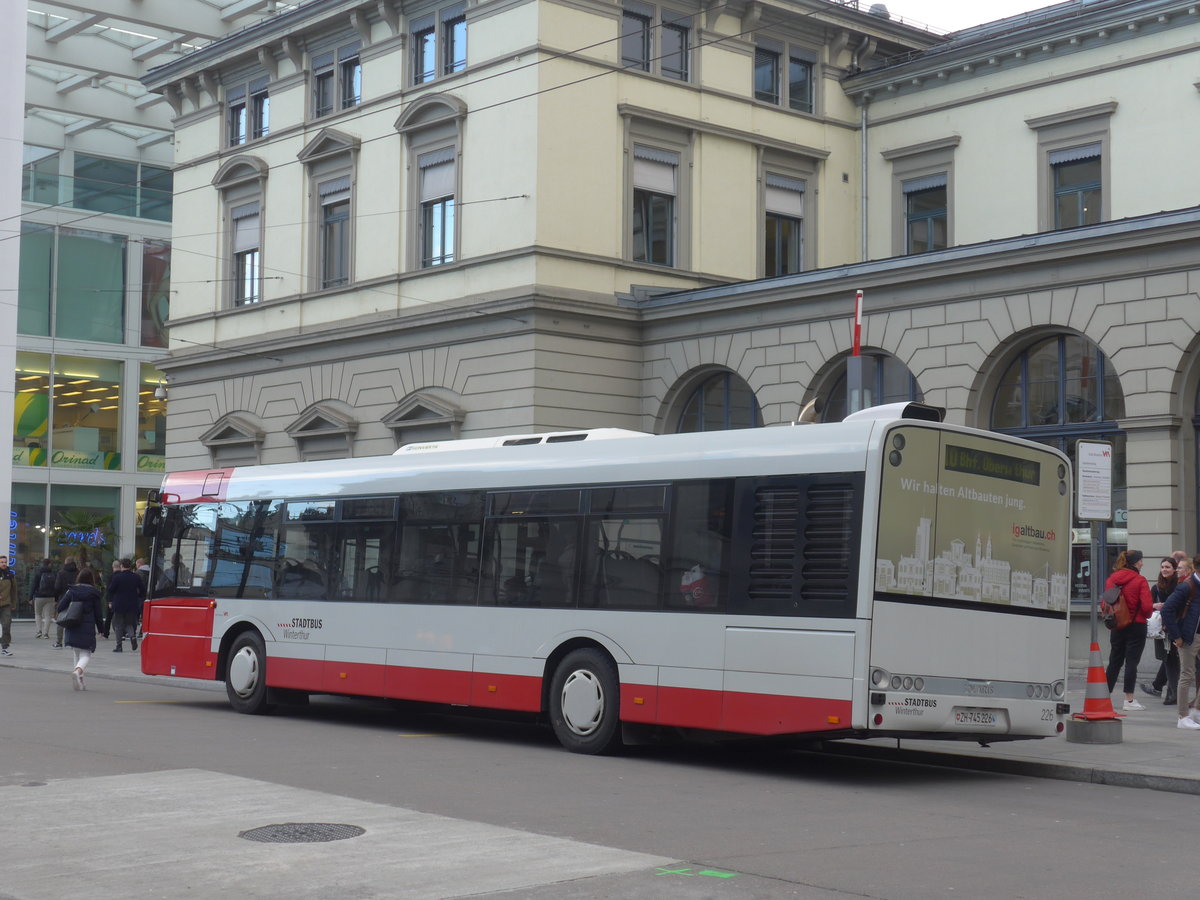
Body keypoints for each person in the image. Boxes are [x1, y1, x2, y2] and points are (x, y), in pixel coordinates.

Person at [1104, 549, 1154, 710]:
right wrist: (1146, 613)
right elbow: (1147, 608)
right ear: (1134, 562)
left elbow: (1105, 602)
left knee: (1114, 662)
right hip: (1136, 625)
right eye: (1140, 560)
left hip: (1117, 625)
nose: (1142, 563)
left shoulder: (1112, 579)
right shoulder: (1140, 580)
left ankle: (1104, 697)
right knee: (1131, 662)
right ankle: (1129, 700)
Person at [1162, 554, 1200, 729]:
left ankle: (1196, 710)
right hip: (1188, 636)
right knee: (1186, 675)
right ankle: (1183, 717)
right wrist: (1176, 636)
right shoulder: (1187, 586)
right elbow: (1167, 610)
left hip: (1197, 633)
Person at [56, 568, 103, 691]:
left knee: (76, 651)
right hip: (87, 626)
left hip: (72, 624)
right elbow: (98, 614)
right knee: (86, 653)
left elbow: (60, 606)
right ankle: (78, 672)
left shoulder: (71, 591)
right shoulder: (94, 594)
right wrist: (102, 630)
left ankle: (80, 680)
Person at [1143, 557, 1180, 704]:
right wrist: (1155, 605)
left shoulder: (1179, 585)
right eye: (1163, 567)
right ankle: (1167, 692)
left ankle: (1170, 693)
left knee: (1171, 661)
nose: (1164, 570)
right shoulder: (1156, 587)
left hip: (1175, 626)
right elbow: (1147, 606)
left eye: (1168, 567)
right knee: (1169, 660)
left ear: (1174, 569)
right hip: (1160, 629)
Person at [106, 559, 145, 652]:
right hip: (132, 603)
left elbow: (110, 589)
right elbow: (142, 590)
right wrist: (137, 596)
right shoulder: (136, 577)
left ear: (121, 566)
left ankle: (119, 646)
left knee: (118, 624)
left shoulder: (117, 577)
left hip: (119, 603)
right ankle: (132, 636)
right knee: (129, 623)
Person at [52, 555, 80, 648]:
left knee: (61, 620)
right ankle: (73, 641)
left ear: (65, 562)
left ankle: (59, 642)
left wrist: (57, 598)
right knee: (73, 620)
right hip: (75, 598)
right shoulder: (78, 572)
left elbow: (57, 587)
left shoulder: (61, 573)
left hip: (63, 597)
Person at [30, 558, 57, 640]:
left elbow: (34, 585)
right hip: (50, 597)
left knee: (38, 614)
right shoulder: (53, 573)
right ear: (49, 564)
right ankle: (46, 633)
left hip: (39, 596)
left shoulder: (38, 573)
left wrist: (30, 597)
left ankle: (39, 631)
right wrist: (56, 598)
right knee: (48, 615)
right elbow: (56, 587)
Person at [0, 556, 15, 657]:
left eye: (5, 562)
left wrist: (13, 604)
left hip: (6, 604)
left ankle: (4, 647)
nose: (3, 564)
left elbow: (14, 591)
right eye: (1, 562)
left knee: (6, 625)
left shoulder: (10, 575)